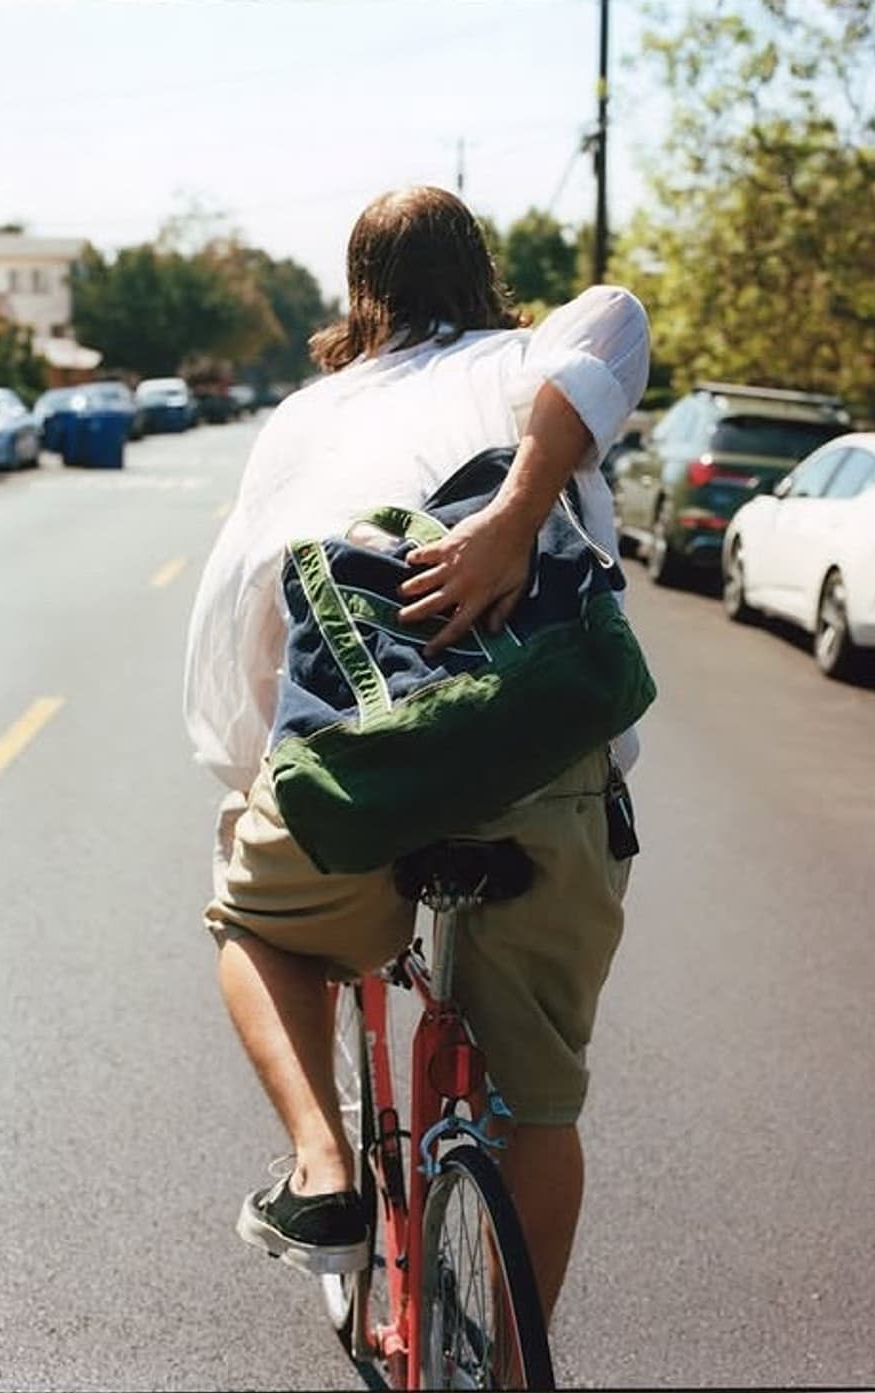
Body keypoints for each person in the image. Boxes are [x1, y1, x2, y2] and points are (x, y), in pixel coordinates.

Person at [182, 185, 650, 1323]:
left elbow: (249, 609)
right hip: (545, 759)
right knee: (538, 1108)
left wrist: (254, 775)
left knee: (252, 924)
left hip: (366, 768)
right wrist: (517, 517)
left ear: (359, 298)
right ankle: (513, 1356)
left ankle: (324, 1170)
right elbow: (616, 318)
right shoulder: (536, 359)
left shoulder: (306, 417)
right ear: (484, 274)